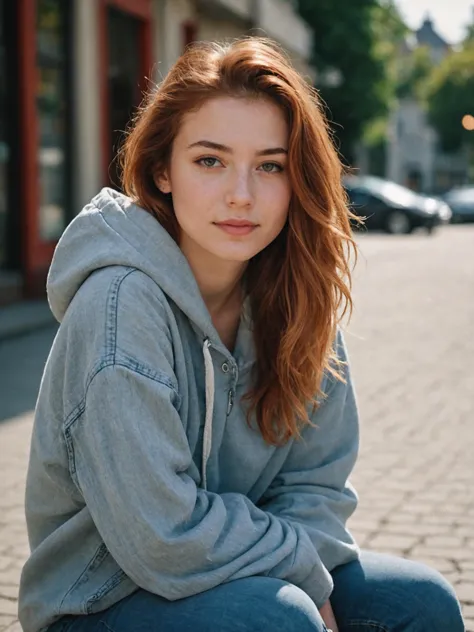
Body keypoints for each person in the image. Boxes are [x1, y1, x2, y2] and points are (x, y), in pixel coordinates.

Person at [18, 38, 464, 632]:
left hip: (246, 574)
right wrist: (298, 570)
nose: (241, 194)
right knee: (275, 619)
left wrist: (297, 571)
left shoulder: (297, 297)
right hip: (99, 599)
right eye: (210, 160)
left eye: (270, 166)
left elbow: (316, 485)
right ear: (162, 171)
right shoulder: (120, 304)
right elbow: (160, 536)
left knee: (423, 604)